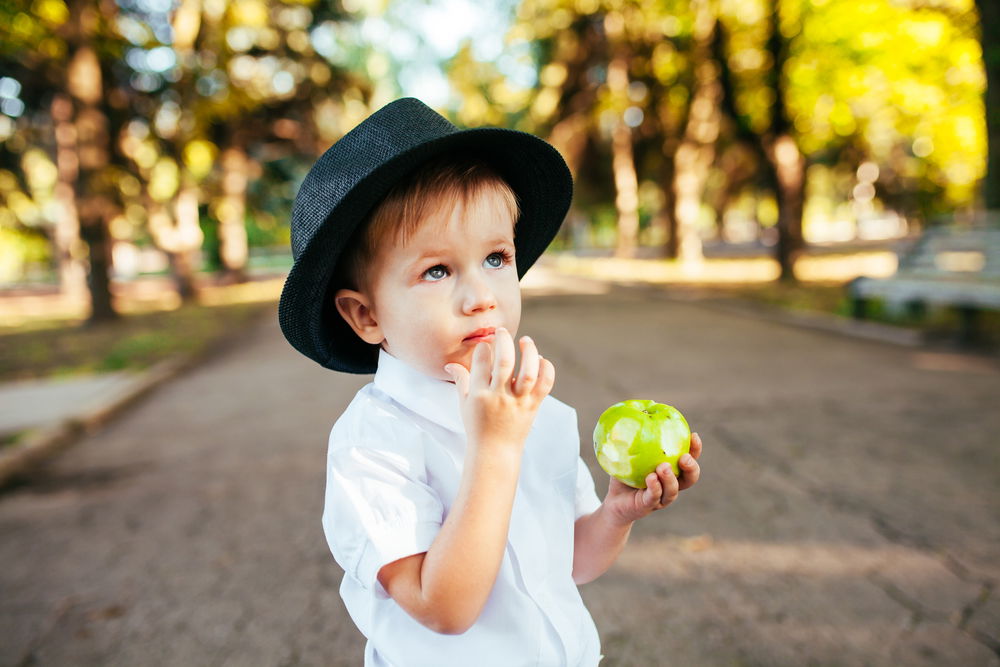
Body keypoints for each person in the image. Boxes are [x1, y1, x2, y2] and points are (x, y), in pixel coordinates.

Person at [278, 97, 703, 666]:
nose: (482, 296)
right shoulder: (374, 446)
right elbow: (443, 607)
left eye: (497, 258)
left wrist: (614, 515)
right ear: (366, 316)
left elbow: (569, 564)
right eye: (437, 270)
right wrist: (495, 447)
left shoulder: (537, 412)